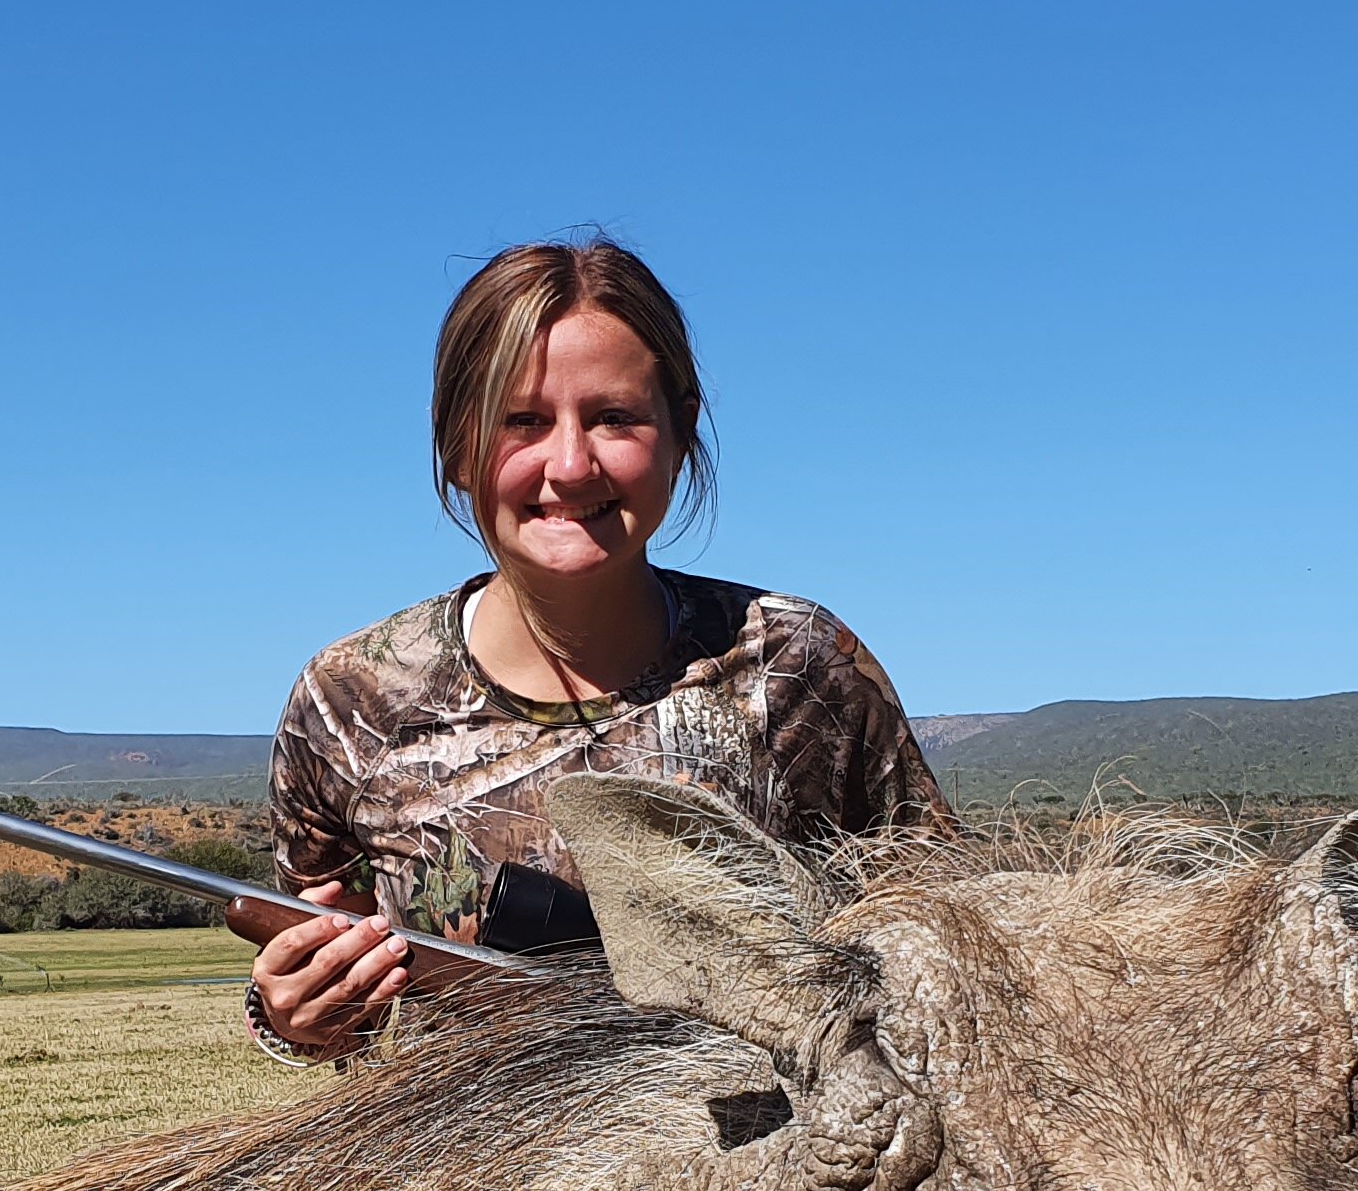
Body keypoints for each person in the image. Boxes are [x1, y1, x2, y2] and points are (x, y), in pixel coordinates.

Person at [246, 240, 950, 1061]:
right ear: (457, 446)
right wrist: (295, 1019)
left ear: (681, 432)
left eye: (615, 417)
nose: (571, 465)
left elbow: (947, 945)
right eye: (523, 421)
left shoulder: (800, 663)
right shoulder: (348, 700)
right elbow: (320, 968)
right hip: (471, 1185)